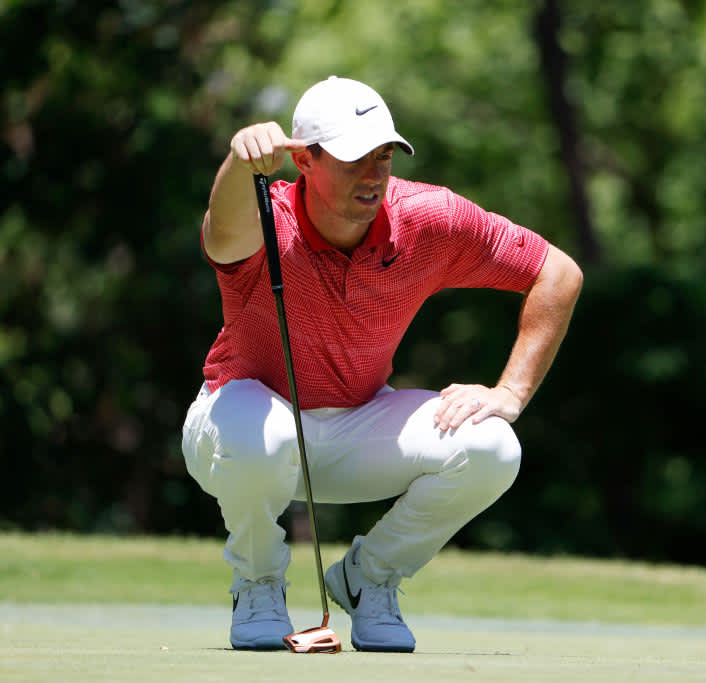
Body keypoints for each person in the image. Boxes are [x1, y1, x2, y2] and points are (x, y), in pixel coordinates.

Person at [181, 76, 582, 652]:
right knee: (259, 431)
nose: (373, 173)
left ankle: (369, 580)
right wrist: (240, 161)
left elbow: (557, 273)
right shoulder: (263, 218)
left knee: (493, 446)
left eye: (384, 155)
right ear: (304, 159)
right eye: (353, 158)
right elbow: (222, 234)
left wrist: (511, 392)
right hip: (232, 433)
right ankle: (258, 583)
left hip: (354, 427)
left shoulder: (428, 218)